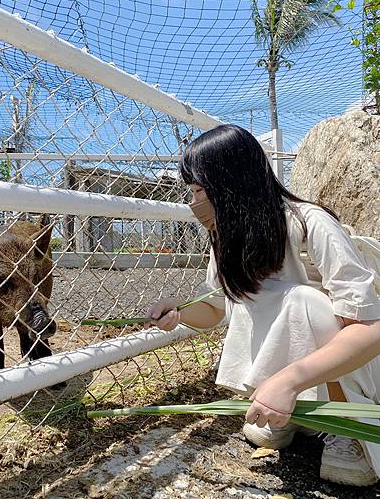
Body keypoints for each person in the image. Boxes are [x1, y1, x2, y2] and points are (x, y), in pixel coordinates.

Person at [146, 124, 380, 487]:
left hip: (355, 371)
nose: (192, 204)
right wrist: (178, 311)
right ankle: (296, 416)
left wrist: (288, 381)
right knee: (254, 299)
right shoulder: (227, 238)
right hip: (301, 377)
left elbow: (372, 329)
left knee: (299, 300)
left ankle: (348, 428)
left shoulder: (310, 222)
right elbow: (219, 309)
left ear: (231, 185)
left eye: (197, 191)